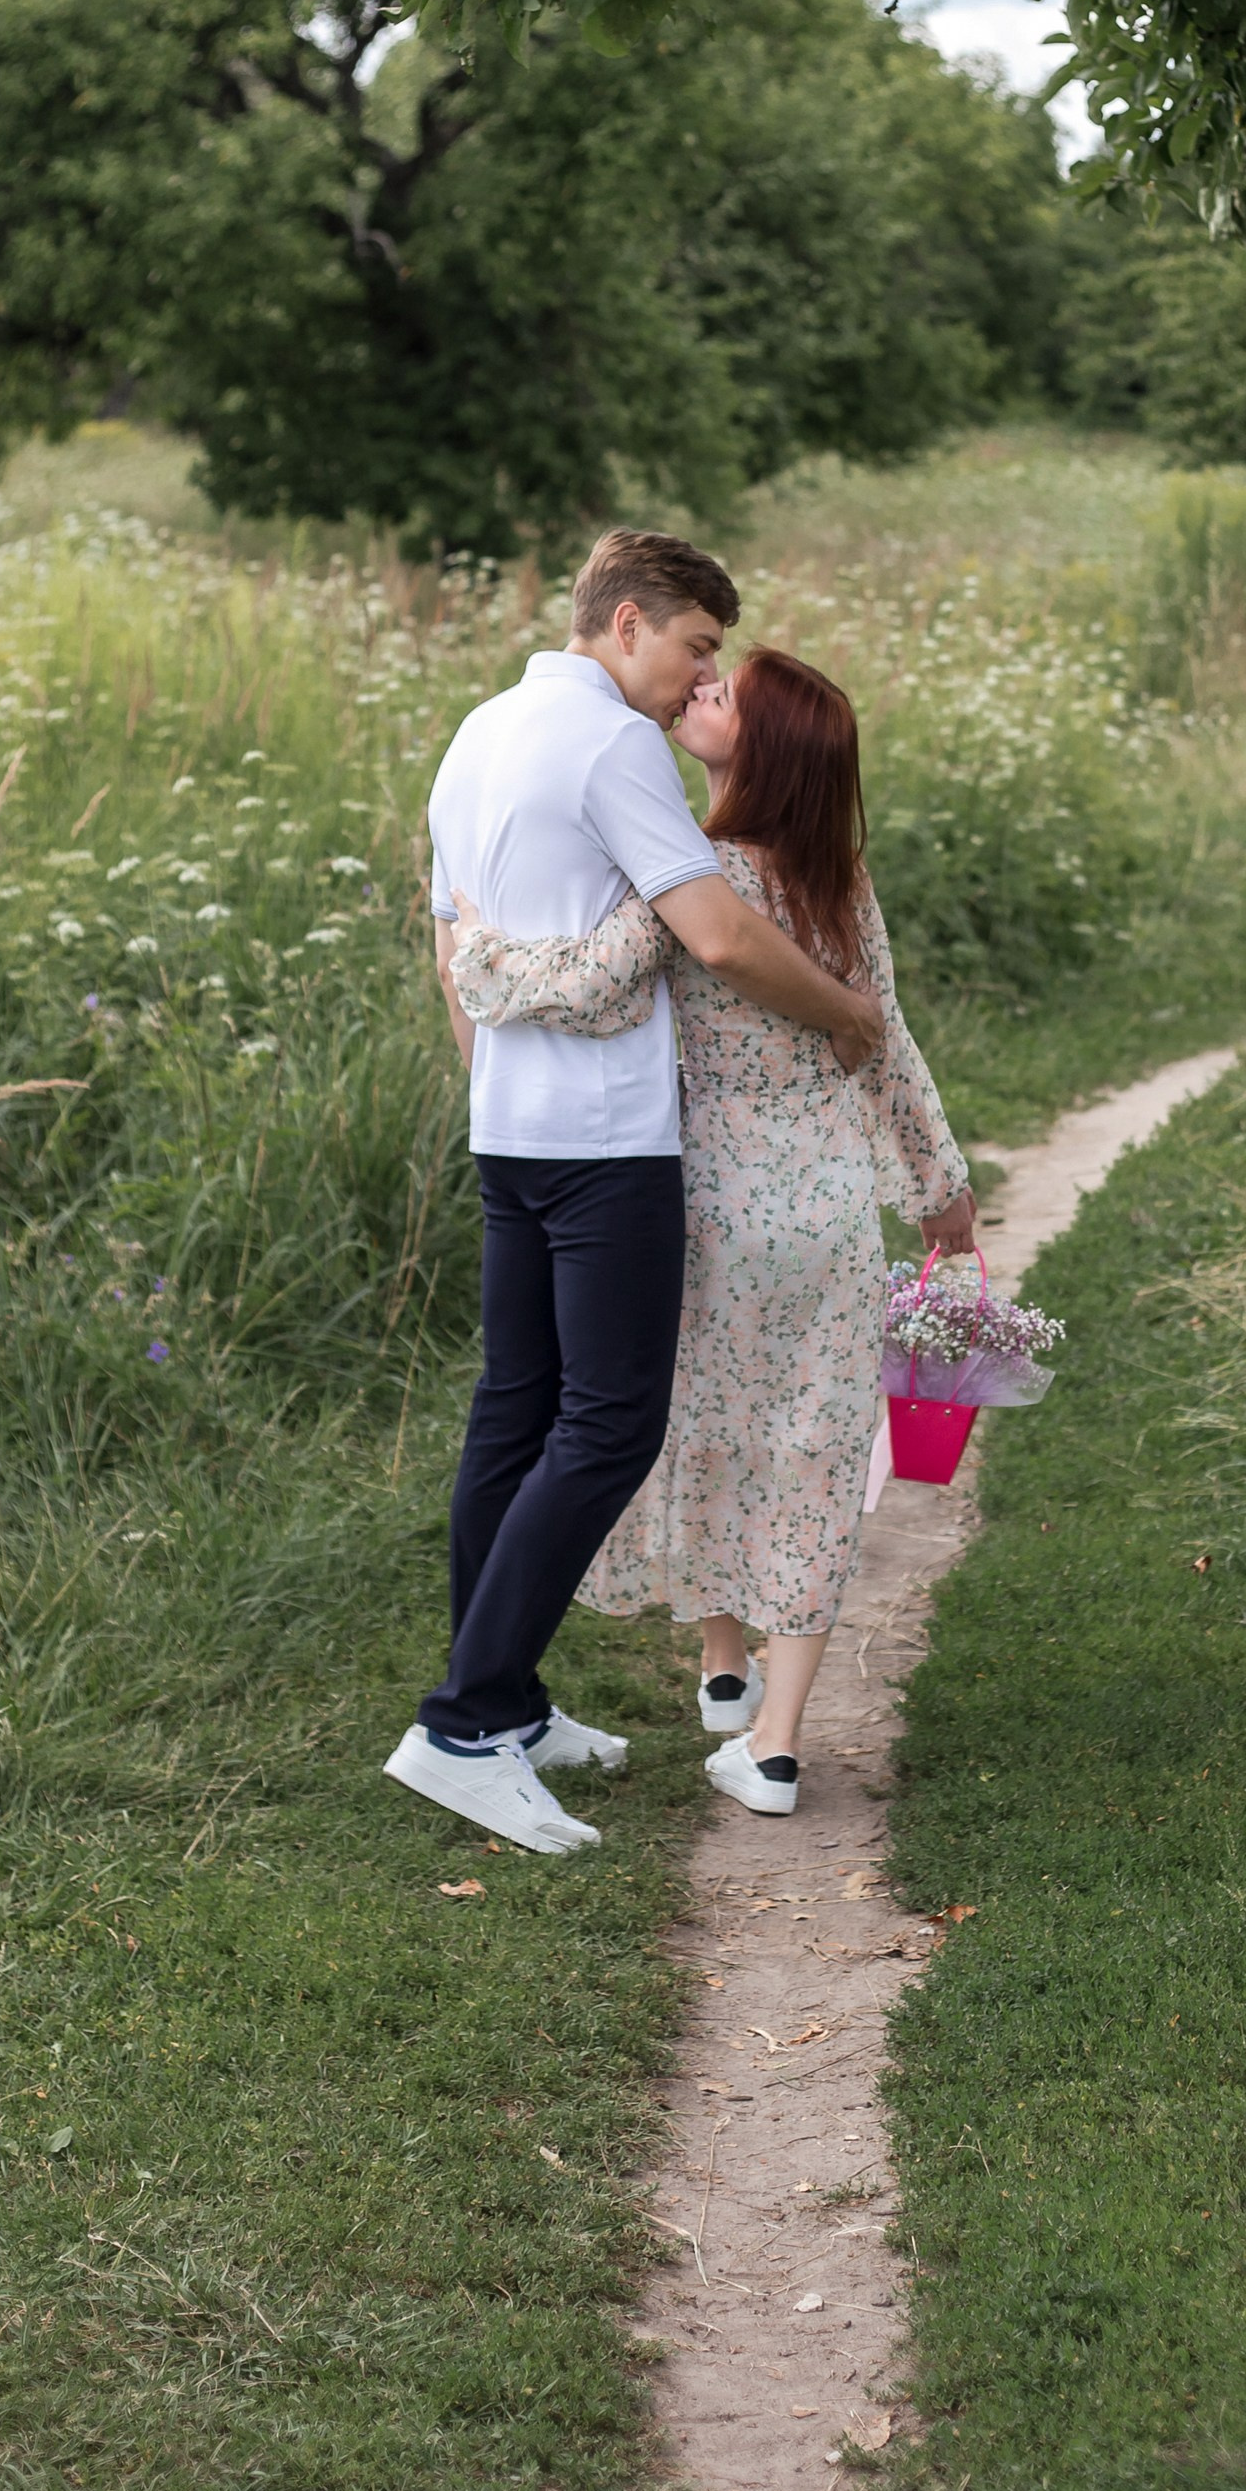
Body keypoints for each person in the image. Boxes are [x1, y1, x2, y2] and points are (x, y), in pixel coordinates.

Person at [385, 533, 885, 1860]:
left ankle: (507, 1698)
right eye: (694, 647)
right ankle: (464, 1725)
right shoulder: (614, 746)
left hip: (509, 1129)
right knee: (608, 1425)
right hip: (609, 1144)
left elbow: (450, 947)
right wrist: (848, 1014)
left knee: (514, 1412)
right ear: (624, 624)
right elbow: (717, 931)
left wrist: (496, 1090)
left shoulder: (475, 733)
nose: (696, 678)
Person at [449, 645, 973, 1818]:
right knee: (809, 1451)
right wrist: (942, 1184)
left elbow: (591, 983)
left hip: (710, 1204)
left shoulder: (692, 875)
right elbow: (884, 1035)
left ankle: (723, 1660)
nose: (701, 688)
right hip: (829, 1209)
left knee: (704, 1427)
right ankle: (770, 1737)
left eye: (725, 692)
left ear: (763, 746)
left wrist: (470, 943)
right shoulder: (839, 877)